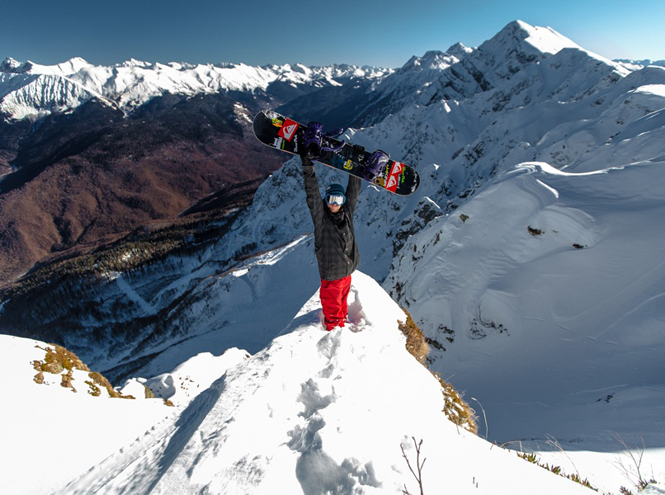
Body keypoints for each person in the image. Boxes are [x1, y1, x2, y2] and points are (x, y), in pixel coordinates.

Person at [300, 122, 362, 331]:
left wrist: (356, 167)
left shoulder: (347, 214)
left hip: (347, 271)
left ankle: (341, 323)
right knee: (333, 309)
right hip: (331, 274)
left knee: (342, 305)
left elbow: (353, 191)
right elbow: (312, 194)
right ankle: (335, 334)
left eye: (338, 199)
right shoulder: (321, 218)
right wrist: (308, 165)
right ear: (325, 200)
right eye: (331, 199)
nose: (334, 204)